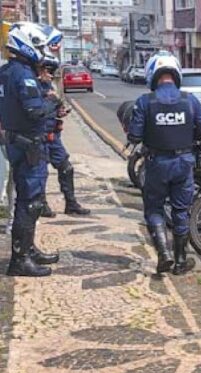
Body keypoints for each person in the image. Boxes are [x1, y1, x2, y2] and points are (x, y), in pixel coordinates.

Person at [127, 51, 201, 275]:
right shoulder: (190, 100)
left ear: (153, 74)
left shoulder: (145, 101)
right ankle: (181, 261)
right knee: (181, 210)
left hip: (156, 164)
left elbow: (134, 137)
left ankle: (164, 254)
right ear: (176, 74)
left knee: (154, 208)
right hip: (184, 163)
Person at [0, 23, 61, 277]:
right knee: (31, 201)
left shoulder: (5, 71)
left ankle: (28, 248)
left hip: (15, 141)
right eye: (37, 45)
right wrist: (52, 102)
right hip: (27, 144)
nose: (41, 50)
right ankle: (20, 259)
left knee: (28, 199)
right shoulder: (23, 75)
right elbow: (34, 111)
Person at [38, 53, 90, 217]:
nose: (50, 75)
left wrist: (60, 111)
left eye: (53, 71)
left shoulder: (49, 88)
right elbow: (35, 111)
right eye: (48, 71)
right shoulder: (33, 88)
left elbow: (55, 109)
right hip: (39, 136)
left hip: (53, 135)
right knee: (40, 173)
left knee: (66, 168)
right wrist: (50, 102)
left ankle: (71, 203)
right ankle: (41, 204)